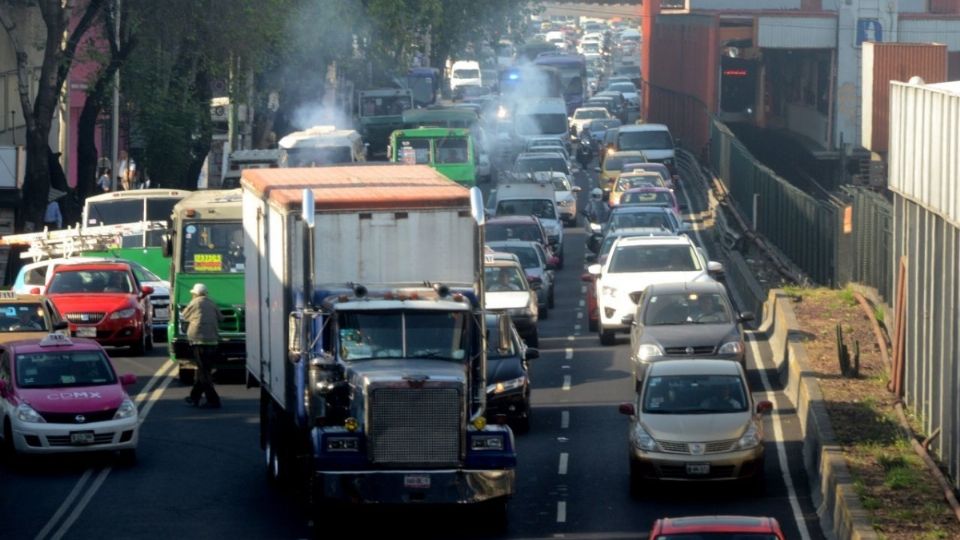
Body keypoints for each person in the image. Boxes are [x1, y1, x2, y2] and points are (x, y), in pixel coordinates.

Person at [181, 283, 223, 408]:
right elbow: (221, 318)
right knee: (204, 370)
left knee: (204, 373)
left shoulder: (195, 302)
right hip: (213, 341)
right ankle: (194, 397)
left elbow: (185, 315)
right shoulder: (212, 302)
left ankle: (213, 400)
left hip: (199, 341)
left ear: (195, 294)